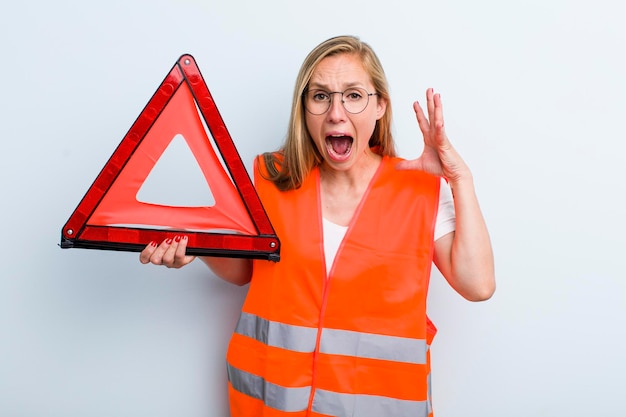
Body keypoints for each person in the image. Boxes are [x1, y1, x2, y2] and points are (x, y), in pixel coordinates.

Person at [140, 35, 495, 417]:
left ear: (380, 106)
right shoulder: (271, 179)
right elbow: (245, 270)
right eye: (321, 96)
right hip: (269, 407)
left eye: (354, 95)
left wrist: (460, 179)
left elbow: (478, 285)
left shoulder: (421, 189)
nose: (336, 114)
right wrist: (197, 249)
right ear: (305, 108)